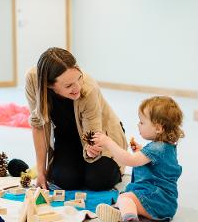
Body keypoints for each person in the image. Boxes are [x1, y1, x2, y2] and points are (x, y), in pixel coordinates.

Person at [25, 47, 127, 191]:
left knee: (99, 180)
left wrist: (91, 150)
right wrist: (41, 172)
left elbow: (93, 134)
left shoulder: (88, 88)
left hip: (102, 133)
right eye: (68, 85)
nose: (77, 87)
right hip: (67, 136)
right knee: (66, 180)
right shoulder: (33, 80)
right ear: (49, 85)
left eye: (79, 78)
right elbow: (38, 125)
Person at [93, 96, 184, 222]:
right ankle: (120, 212)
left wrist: (108, 142)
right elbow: (155, 164)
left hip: (159, 200)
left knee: (126, 197)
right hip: (161, 199)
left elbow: (129, 160)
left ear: (159, 128)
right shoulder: (163, 146)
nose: (138, 125)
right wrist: (141, 151)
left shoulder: (156, 148)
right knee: (125, 197)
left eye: (142, 122)